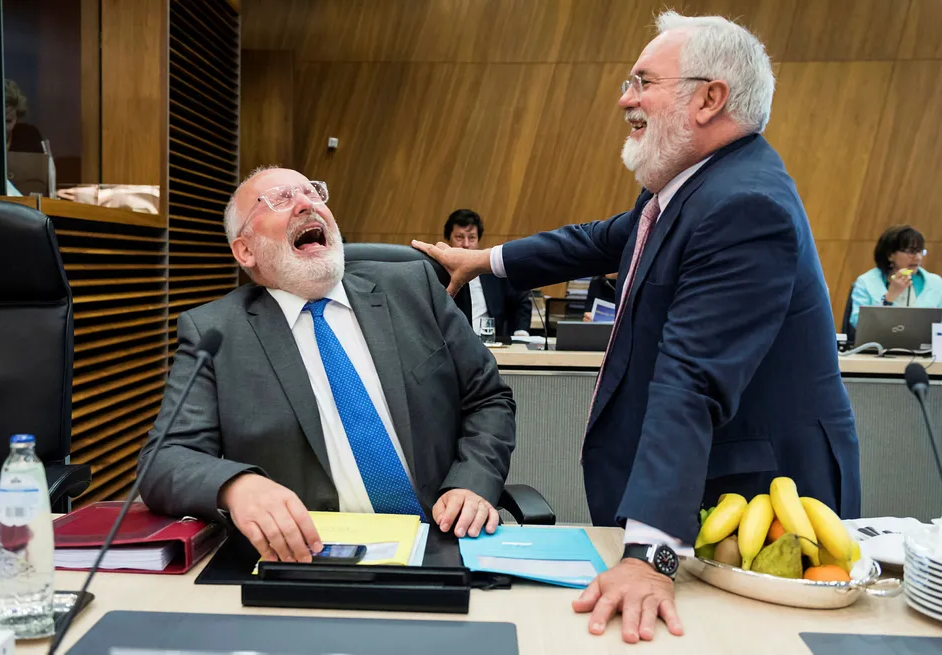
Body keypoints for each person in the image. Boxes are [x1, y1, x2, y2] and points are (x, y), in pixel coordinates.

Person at [415, 11, 860, 643]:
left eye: (641, 81)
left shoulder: (743, 206)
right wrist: (486, 260)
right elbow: (601, 239)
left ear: (709, 98)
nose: (624, 98)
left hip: (761, 503)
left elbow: (691, 379)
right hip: (713, 488)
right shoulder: (690, 189)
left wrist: (651, 554)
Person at [137, 167, 516, 564]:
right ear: (245, 251)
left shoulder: (414, 289)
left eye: (313, 193)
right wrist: (235, 485)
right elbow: (163, 459)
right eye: (281, 199)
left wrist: (472, 483)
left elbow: (488, 399)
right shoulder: (215, 332)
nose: (306, 204)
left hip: (442, 540)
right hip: (309, 559)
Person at [444, 209, 531, 339]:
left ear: (479, 240)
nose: (466, 245)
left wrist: (520, 332)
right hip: (451, 344)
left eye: (472, 238)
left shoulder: (492, 271)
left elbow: (520, 300)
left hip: (489, 344)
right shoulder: (437, 273)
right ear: (448, 240)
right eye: (459, 237)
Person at [849, 225, 942, 327]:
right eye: (911, 252)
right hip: (879, 342)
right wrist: (889, 298)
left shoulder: (935, 283)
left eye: (920, 251)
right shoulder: (866, 282)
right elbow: (858, 323)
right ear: (890, 255)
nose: (918, 258)